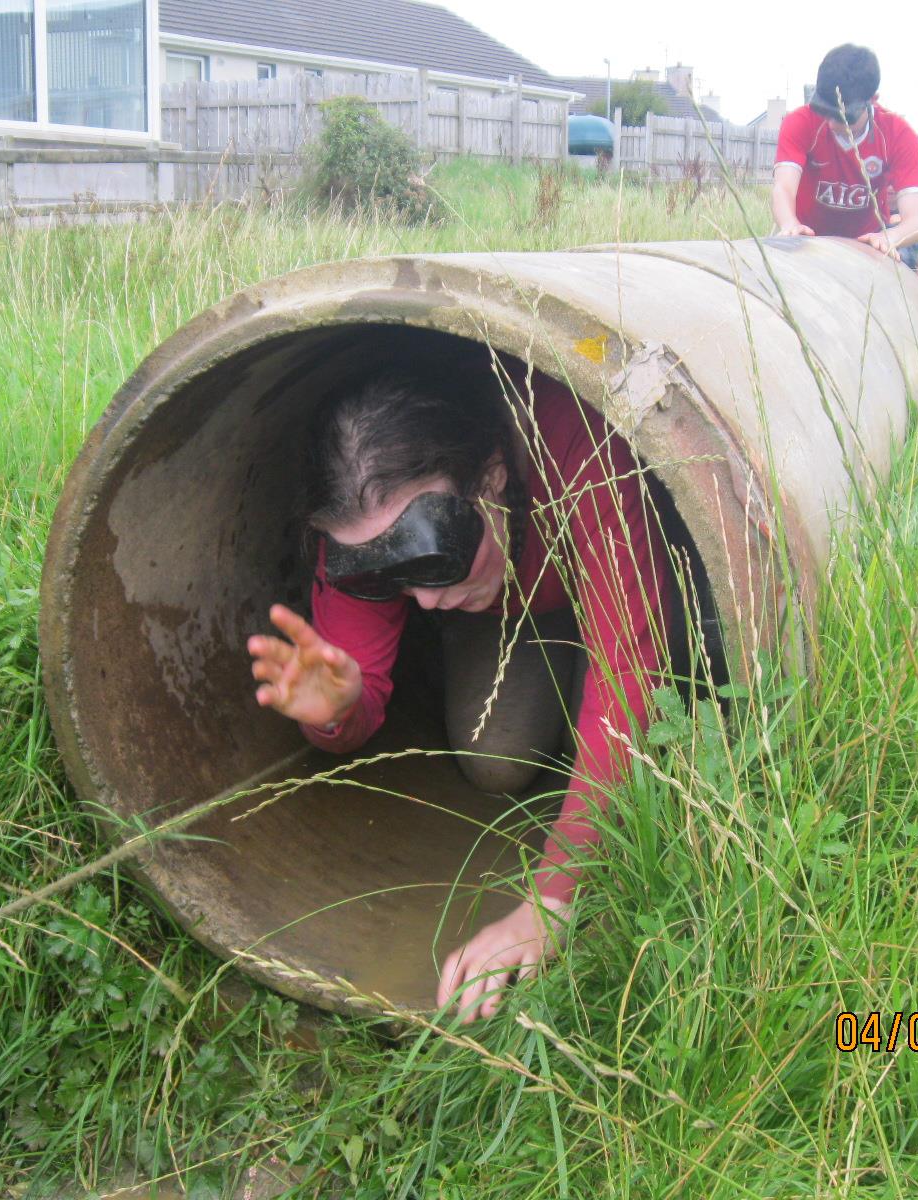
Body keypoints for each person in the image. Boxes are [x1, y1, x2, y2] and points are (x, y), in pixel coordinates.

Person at [246, 364, 675, 1024]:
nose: (422, 600)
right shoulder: (361, 534)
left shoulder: (573, 438)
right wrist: (337, 713)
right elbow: (355, 703)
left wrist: (551, 901)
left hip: (615, 579)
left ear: (491, 477)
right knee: (495, 758)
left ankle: (583, 693)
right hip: (515, 613)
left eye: (430, 556)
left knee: (641, 719)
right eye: (383, 574)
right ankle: (560, 671)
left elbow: (632, 673)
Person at [770, 44, 918, 258]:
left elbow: (915, 220)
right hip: (806, 238)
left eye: (843, 117)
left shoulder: (897, 134)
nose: (832, 123)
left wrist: (889, 237)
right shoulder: (799, 121)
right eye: (825, 111)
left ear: (872, 100)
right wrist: (790, 224)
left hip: (865, 244)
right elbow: (783, 188)